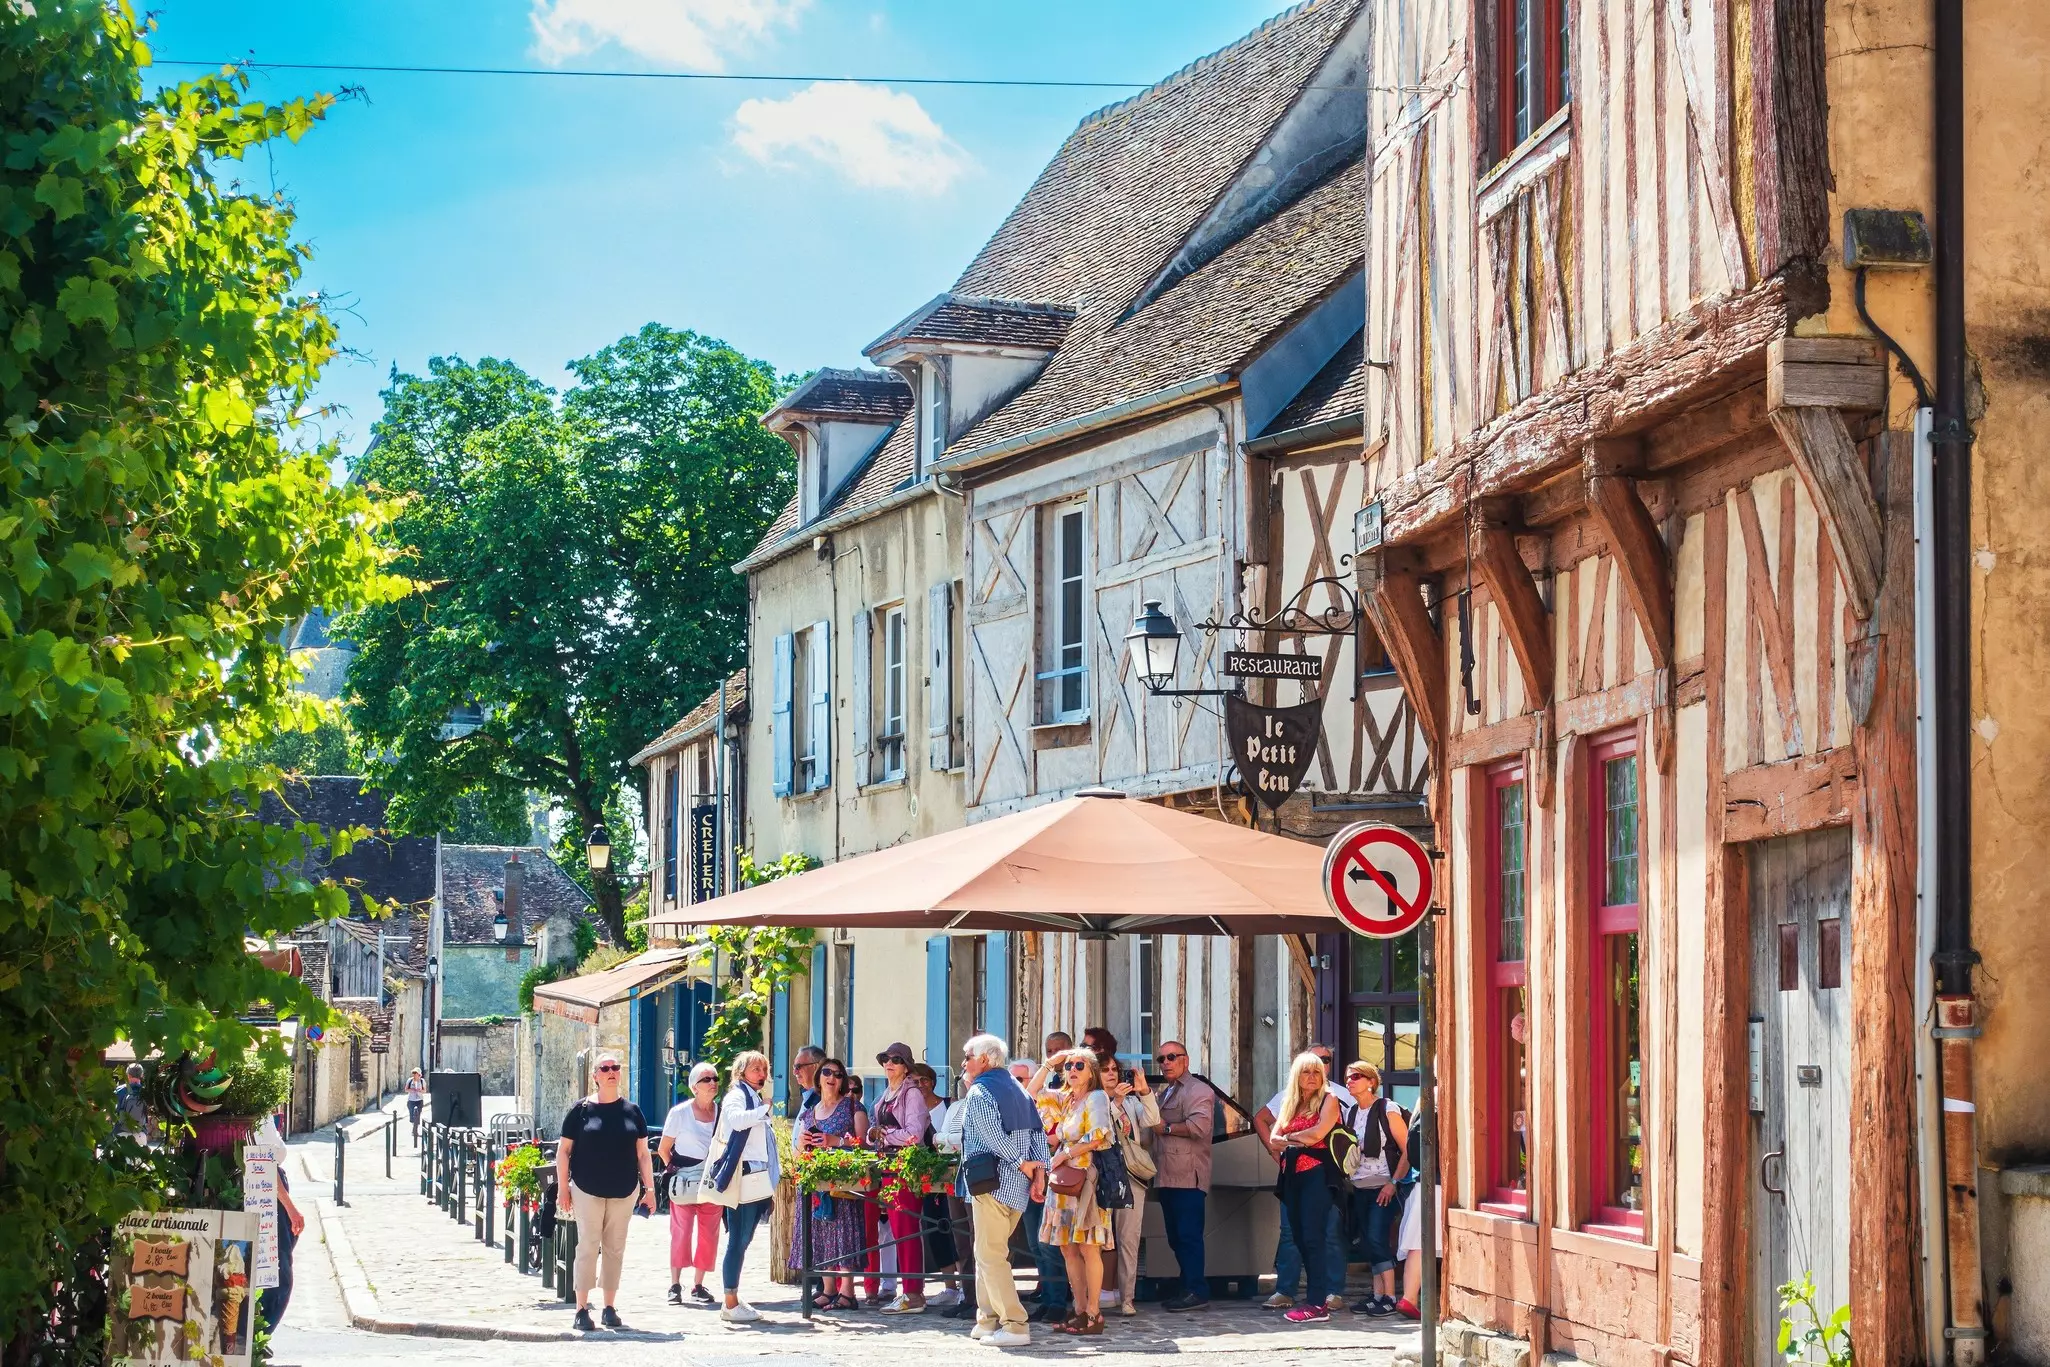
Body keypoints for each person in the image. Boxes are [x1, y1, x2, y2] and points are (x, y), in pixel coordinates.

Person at [955, 1033, 1048, 1349]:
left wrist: (1024, 1163)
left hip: (991, 1182)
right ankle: (988, 1319)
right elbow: (1039, 1133)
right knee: (989, 1251)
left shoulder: (981, 1092)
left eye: (967, 1056)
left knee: (990, 1255)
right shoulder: (1018, 1088)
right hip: (1016, 1186)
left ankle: (1015, 1325)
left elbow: (992, 1137)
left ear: (983, 1059)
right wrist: (1038, 1173)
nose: (964, 1063)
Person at [556, 1051, 656, 1332]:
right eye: (605, 1068)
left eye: (616, 1067)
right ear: (596, 1076)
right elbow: (563, 1151)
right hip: (587, 1188)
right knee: (588, 1245)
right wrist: (563, 1187)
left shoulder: (632, 1111)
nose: (611, 1071)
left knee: (615, 1247)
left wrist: (649, 1189)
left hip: (624, 1190)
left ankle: (610, 1307)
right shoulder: (581, 1110)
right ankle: (581, 1309)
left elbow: (643, 1154)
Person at [1029, 1049, 1116, 1336]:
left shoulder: (1097, 1097)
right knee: (1068, 1248)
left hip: (1086, 1179)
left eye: (1079, 1065)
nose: (1073, 1070)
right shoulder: (1066, 1099)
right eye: (1069, 1066)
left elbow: (1100, 1135)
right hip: (1064, 1181)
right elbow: (1030, 1094)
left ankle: (1093, 1313)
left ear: (1091, 1071)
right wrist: (1049, 1063)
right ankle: (1079, 1310)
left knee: (1089, 1246)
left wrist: (1064, 1153)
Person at [1256, 1042, 1349, 1309]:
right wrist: (1285, 1144)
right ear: (1297, 1072)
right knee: (1293, 1234)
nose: (1313, 1076)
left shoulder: (1333, 1097)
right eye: (1307, 1070)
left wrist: (1290, 1138)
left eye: (1319, 1067)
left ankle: (1324, 1296)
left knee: (1322, 1235)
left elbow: (1318, 1134)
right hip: (1291, 1175)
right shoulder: (1289, 1100)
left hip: (1321, 1174)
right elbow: (1271, 1134)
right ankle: (1288, 1291)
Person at [707, 1050, 780, 1324]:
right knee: (738, 1239)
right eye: (756, 1070)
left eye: (764, 1069)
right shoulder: (738, 1096)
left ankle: (733, 1298)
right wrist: (764, 1110)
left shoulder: (752, 1096)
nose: (761, 1075)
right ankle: (730, 1302)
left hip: (756, 1176)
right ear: (741, 1072)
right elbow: (737, 1120)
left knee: (744, 1239)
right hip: (744, 1176)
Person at [792, 1057, 867, 1311]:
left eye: (837, 1074)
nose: (831, 1077)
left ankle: (848, 1293)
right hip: (815, 1181)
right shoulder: (808, 1112)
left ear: (843, 1080)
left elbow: (864, 1144)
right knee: (820, 1235)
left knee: (843, 1233)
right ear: (819, 1077)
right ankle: (828, 1289)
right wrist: (802, 1144)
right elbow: (797, 1154)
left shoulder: (852, 1107)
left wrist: (836, 1141)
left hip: (842, 1181)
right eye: (826, 1072)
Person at [866, 1042, 931, 1313]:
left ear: (906, 1067)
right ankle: (907, 1292)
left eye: (896, 1059)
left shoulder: (911, 1094)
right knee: (896, 1229)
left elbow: (914, 1134)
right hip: (888, 1167)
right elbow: (876, 1128)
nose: (889, 1063)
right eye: (886, 1059)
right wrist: (873, 1134)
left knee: (906, 1230)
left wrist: (884, 1135)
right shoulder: (887, 1094)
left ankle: (913, 1294)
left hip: (906, 1168)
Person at [1151, 1040, 1214, 1311]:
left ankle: (1196, 1290)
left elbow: (1199, 1127)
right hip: (1166, 1175)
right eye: (1161, 1058)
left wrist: (1164, 1128)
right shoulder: (1167, 1093)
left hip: (1188, 1176)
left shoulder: (1198, 1090)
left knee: (1188, 1236)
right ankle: (1187, 1284)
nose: (1166, 1063)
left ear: (1185, 1060)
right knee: (1176, 1237)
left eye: (1172, 1057)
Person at [1343, 1062, 1410, 1316]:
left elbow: (1407, 1149)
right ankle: (1377, 1294)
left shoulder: (1386, 1108)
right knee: (1368, 1243)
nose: (1350, 1081)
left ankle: (1391, 1297)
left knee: (1376, 1237)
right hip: (1359, 1187)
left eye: (1356, 1076)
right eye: (1348, 1077)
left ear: (1371, 1081)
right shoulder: (1350, 1113)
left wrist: (1393, 1183)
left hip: (1384, 1185)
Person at [658, 1062, 723, 1306]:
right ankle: (675, 1284)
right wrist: (674, 1171)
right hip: (685, 1181)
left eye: (715, 1078)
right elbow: (664, 1149)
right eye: (707, 1079)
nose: (713, 1083)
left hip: (711, 1182)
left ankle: (698, 1284)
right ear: (694, 1087)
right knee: (681, 1232)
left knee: (709, 1234)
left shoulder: (721, 1113)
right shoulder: (680, 1113)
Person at [1101, 1057, 1159, 1317]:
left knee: (1129, 1239)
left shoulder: (1133, 1101)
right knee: (1097, 1239)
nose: (1112, 1074)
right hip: (1101, 1176)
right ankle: (1094, 1296)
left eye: (1115, 1069)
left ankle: (1127, 1298)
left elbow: (1152, 1120)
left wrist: (1144, 1090)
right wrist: (1116, 1103)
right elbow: (1100, 1129)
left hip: (1131, 1175)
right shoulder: (1093, 1100)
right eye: (1105, 1070)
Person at [911, 1063, 963, 1308]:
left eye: (922, 1080)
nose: (919, 1086)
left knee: (957, 1229)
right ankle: (949, 1286)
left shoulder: (949, 1104)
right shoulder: (911, 1110)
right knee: (935, 1229)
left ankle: (966, 1284)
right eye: (914, 1082)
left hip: (952, 1177)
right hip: (928, 1179)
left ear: (931, 1082)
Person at [113, 1063, 151, 1141]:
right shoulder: (146, 1092)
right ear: (142, 1075)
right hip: (141, 1134)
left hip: (121, 1133)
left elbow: (113, 1111)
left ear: (128, 1075)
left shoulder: (119, 1090)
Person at [791, 1044, 825, 1117]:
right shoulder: (809, 1095)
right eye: (794, 1067)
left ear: (816, 1067)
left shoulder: (825, 1099)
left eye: (798, 1067)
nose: (794, 1072)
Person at [405, 1068, 425, 1143]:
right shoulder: (410, 1080)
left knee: (417, 1115)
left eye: (415, 1073)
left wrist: (420, 1090)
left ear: (419, 1075)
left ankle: (415, 1130)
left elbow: (424, 1090)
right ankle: (414, 1127)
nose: (414, 1075)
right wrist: (412, 1090)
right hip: (411, 1100)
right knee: (412, 1116)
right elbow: (406, 1089)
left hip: (419, 1100)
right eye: (413, 1073)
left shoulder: (422, 1081)